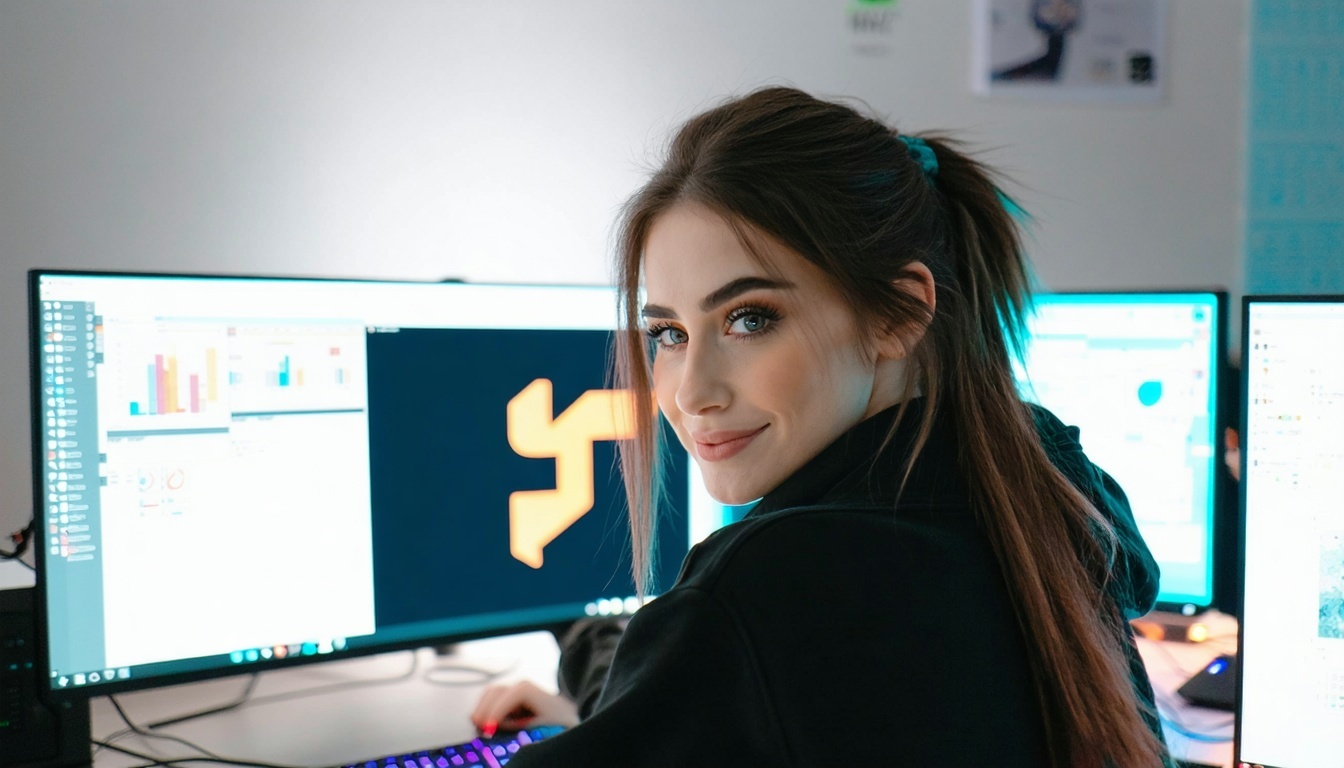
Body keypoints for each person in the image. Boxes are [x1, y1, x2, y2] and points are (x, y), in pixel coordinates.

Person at [471, 86, 1170, 767]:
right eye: (669, 333)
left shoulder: (768, 583)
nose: (692, 394)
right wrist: (614, 696)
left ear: (899, 312)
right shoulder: (1039, 492)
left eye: (750, 319)